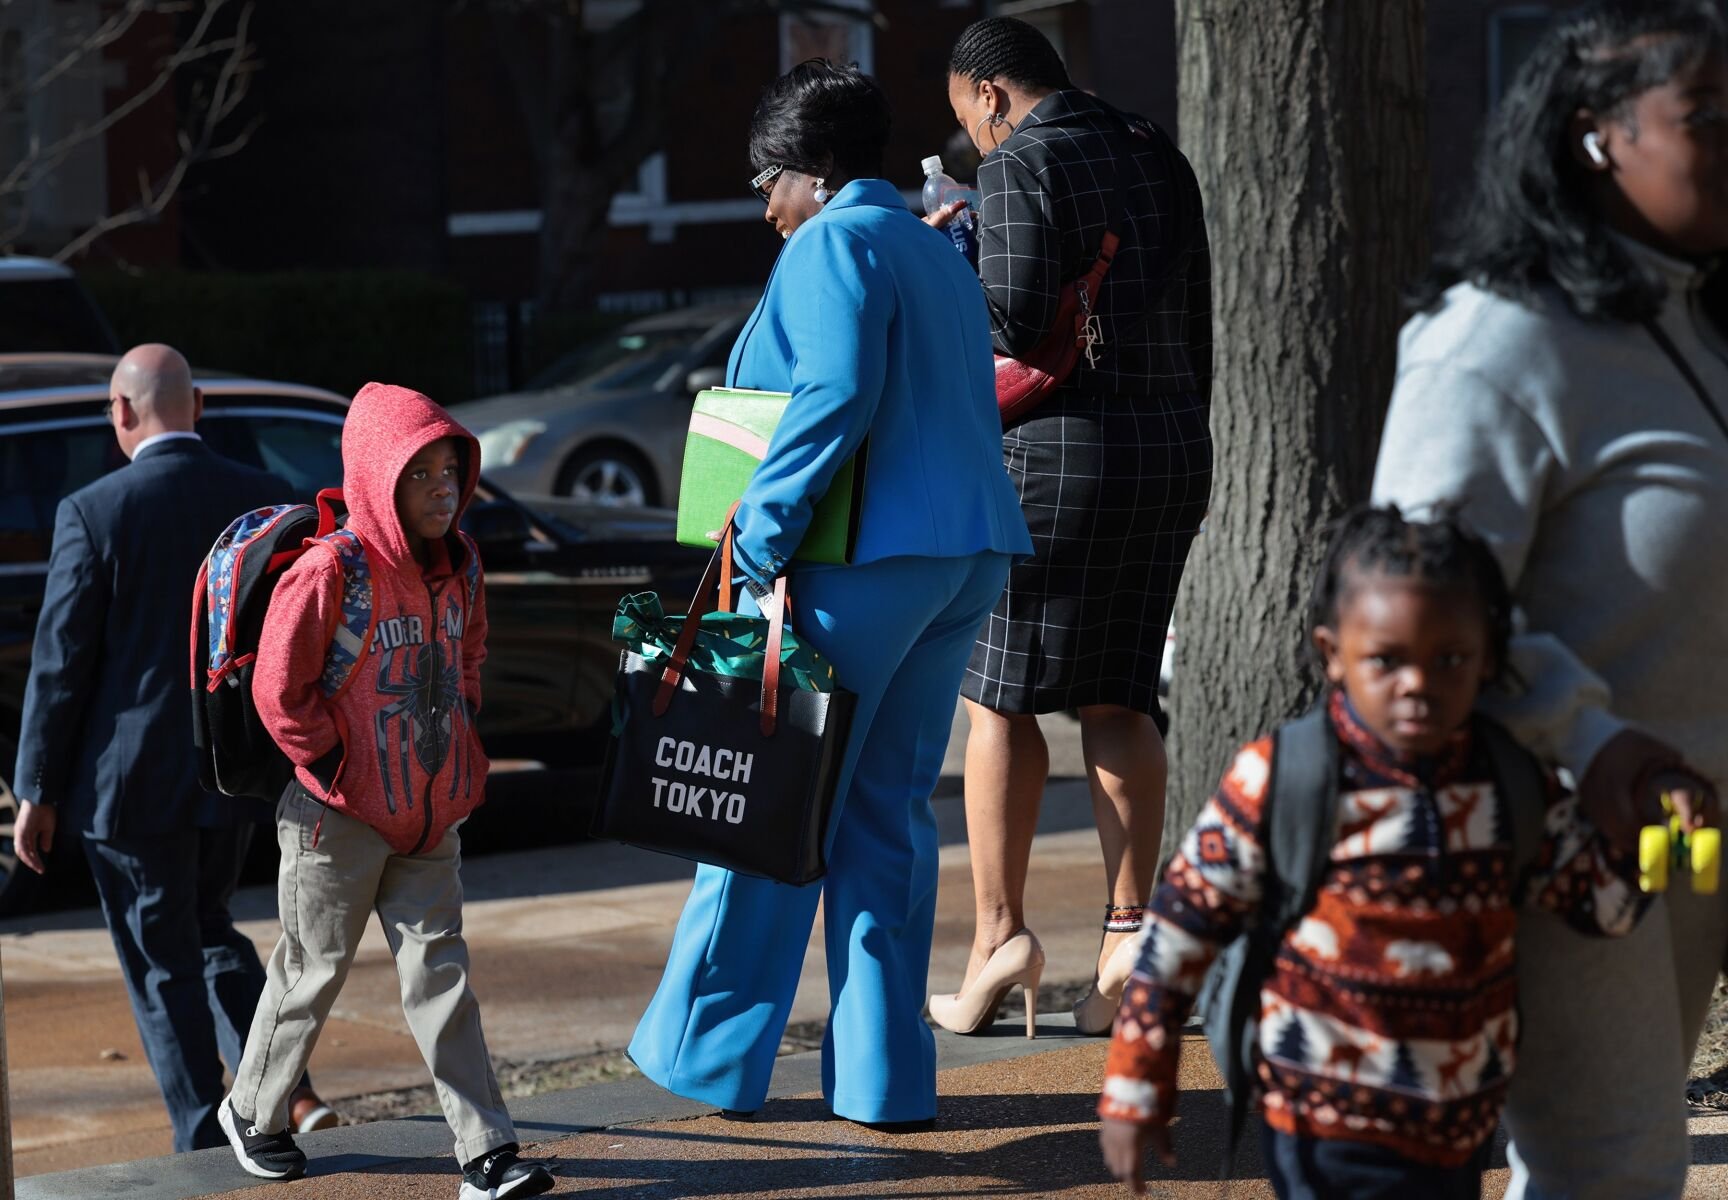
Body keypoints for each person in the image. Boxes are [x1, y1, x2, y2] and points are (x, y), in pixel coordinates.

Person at [627, 59, 1032, 1128]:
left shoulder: (829, 244)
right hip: (966, 555)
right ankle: (884, 1080)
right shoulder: (935, 245)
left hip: (861, 563)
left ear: (812, 170)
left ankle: (710, 1059)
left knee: (769, 806)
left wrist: (757, 542)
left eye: (769, 181)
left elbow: (835, 393)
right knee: (885, 818)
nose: (766, 207)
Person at [1372, 3, 1728, 1195]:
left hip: (1695, 834)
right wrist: (1586, 734)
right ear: (1595, 135)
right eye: (1707, 118)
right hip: (1571, 837)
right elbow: (1414, 608)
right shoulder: (1496, 340)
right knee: (1610, 1175)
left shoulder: (1697, 325)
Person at [1097, 507, 1650, 1199]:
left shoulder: (1511, 782)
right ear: (1333, 653)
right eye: (1386, 660)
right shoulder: (1282, 778)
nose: (1418, 683)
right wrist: (1137, 1083)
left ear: (1488, 658)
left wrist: (1648, 835)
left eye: (1450, 660)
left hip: (1460, 1126)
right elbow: (1179, 929)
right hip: (1322, 1121)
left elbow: (1603, 906)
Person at [928, 16, 1214, 1037]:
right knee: (1120, 697)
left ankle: (998, 940)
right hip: (1170, 448)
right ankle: (1127, 940)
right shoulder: (1154, 149)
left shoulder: (1017, 165)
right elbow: (1196, 318)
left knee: (997, 704)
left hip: (1055, 460)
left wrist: (954, 252)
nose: (975, 138)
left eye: (970, 118)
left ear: (991, 93)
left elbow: (1008, 318)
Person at [216, 383, 553, 1200]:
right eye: (420, 474)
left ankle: (486, 1154)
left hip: (430, 816)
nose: (443, 490)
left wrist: (461, 737)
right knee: (311, 973)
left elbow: (469, 651)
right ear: (378, 477)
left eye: (451, 472)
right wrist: (333, 763)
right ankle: (253, 1111)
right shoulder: (330, 571)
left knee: (442, 979)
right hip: (334, 819)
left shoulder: (462, 563)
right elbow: (277, 689)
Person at [11, 344, 336, 1153]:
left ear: (122, 412)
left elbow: (61, 662)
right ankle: (281, 1095)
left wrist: (36, 789)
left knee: (163, 962)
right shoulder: (259, 497)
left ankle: (203, 1138)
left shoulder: (93, 510)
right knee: (210, 926)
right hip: (230, 770)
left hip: (128, 786)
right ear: (198, 408)